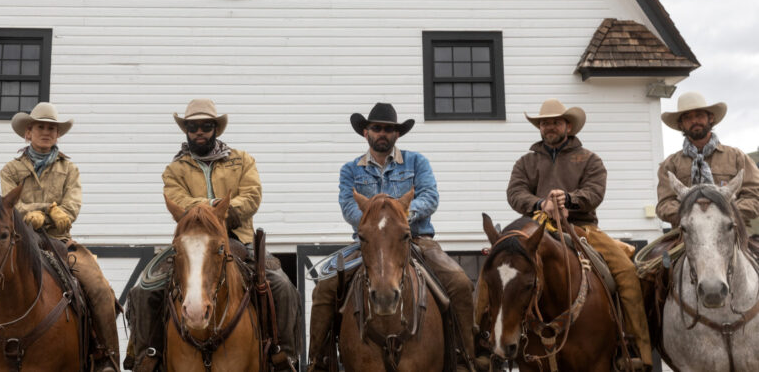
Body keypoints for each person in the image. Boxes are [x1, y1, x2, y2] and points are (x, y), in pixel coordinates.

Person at [0, 102, 120, 372]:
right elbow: (8, 208)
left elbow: (71, 208)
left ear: (57, 135)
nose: (46, 132)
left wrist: (47, 215)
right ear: (28, 133)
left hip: (60, 242)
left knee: (99, 288)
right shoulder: (11, 169)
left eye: (52, 129)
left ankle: (106, 357)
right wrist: (45, 211)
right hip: (18, 242)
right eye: (40, 127)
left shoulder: (70, 170)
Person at [124, 99, 301, 372]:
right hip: (191, 240)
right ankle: (149, 354)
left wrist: (221, 212)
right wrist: (213, 207)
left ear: (215, 128)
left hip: (237, 238)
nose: (199, 131)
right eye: (193, 126)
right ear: (186, 130)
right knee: (143, 290)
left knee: (282, 286)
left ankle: (283, 355)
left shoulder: (242, 160)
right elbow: (176, 200)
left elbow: (252, 196)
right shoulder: (175, 170)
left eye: (206, 126)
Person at [307, 102, 475, 372]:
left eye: (388, 129)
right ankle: (318, 360)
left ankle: (467, 357)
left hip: (415, 238)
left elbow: (430, 197)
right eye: (376, 128)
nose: (382, 133)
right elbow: (349, 207)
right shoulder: (350, 170)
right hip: (369, 243)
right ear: (366, 132)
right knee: (324, 289)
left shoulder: (417, 162)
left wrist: (399, 220)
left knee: (459, 282)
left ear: (397, 135)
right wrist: (376, 223)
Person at [505, 98, 651, 371]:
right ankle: (486, 341)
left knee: (626, 274)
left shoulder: (590, 159)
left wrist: (567, 200)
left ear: (568, 126)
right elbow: (515, 193)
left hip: (583, 228)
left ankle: (634, 348)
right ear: (539, 127)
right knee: (500, 265)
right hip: (537, 224)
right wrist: (541, 204)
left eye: (555, 122)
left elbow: (595, 191)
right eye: (544, 123)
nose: (549, 127)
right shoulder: (526, 161)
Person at [656, 92, 759, 227]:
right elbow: (664, 204)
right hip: (687, 234)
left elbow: (754, 197)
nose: (694, 121)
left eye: (699, 115)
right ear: (681, 125)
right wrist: (691, 213)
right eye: (687, 118)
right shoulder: (670, 165)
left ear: (710, 118)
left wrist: (725, 211)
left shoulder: (737, 157)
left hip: (734, 231)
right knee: (654, 249)